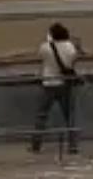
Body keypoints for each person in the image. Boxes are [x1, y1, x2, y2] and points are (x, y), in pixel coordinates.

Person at [32, 23, 79, 154]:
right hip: (65, 84)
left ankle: (36, 144)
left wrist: (49, 42)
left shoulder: (45, 47)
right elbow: (73, 60)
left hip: (48, 84)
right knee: (70, 116)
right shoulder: (70, 47)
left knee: (41, 115)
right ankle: (73, 146)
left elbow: (40, 56)